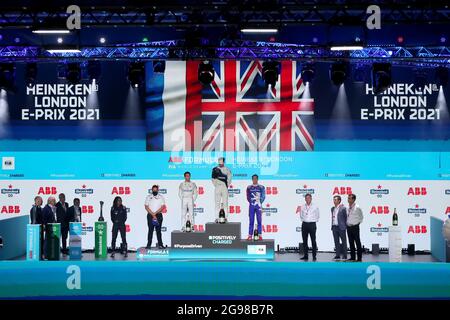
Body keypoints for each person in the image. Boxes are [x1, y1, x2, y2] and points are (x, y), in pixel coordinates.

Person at [299, 193, 319, 261]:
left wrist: (312, 220)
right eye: (306, 198)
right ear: (305, 199)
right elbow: (301, 215)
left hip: (312, 224)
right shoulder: (302, 206)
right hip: (304, 224)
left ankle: (314, 256)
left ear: (311, 198)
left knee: (313, 241)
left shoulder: (315, 206)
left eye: (309, 198)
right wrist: (305, 220)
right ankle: (306, 256)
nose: (307, 199)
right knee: (305, 241)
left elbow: (317, 215)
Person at [211, 157, 232, 223]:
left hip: (224, 187)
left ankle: (225, 218)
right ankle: (216, 218)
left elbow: (230, 178)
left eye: (221, 163)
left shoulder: (227, 169)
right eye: (219, 163)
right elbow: (212, 178)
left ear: (223, 162)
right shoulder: (215, 169)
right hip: (217, 187)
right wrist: (216, 185)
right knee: (217, 203)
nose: (220, 165)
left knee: (225, 202)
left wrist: (226, 185)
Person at [144, 185, 165, 249]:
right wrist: (153, 214)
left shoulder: (161, 197)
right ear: (152, 190)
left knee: (158, 231)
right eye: (153, 190)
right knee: (150, 231)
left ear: (158, 190)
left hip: (158, 215)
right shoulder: (148, 197)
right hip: (150, 215)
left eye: (156, 190)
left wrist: (155, 214)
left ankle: (160, 244)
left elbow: (162, 207)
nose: (155, 191)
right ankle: (148, 245)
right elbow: (146, 206)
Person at [246, 174, 265, 240]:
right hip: (251, 205)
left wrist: (259, 202)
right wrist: (252, 202)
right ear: (252, 179)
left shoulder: (261, 187)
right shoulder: (249, 187)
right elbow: (248, 197)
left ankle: (259, 235)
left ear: (257, 179)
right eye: (253, 178)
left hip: (258, 205)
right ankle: (250, 235)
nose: (254, 180)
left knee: (259, 220)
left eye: (255, 178)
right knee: (251, 221)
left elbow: (263, 196)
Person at [346, 194, 364, 262]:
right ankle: (352, 257)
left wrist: (357, 223)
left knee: (357, 242)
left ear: (353, 199)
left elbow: (361, 217)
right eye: (348, 198)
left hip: (355, 227)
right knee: (351, 243)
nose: (348, 200)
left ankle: (359, 258)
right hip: (349, 227)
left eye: (350, 198)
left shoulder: (357, 207)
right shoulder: (348, 207)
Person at [331, 195, 347, 261]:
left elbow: (346, 218)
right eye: (334, 199)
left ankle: (345, 255)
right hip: (334, 227)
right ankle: (337, 255)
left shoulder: (343, 208)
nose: (334, 201)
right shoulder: (332, 208)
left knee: (344, 242)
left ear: (339, 201)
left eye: (335, 199)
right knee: (336, 242)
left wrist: (345, 226)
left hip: (341, 227)